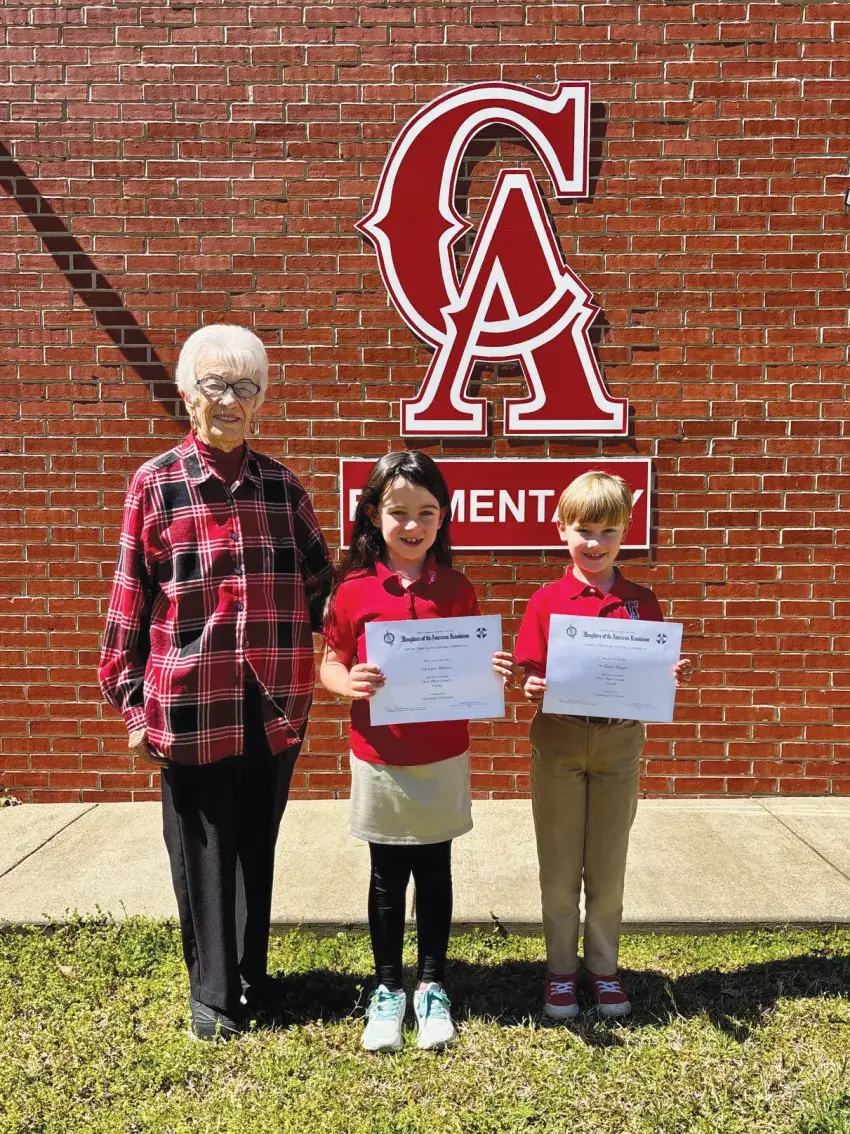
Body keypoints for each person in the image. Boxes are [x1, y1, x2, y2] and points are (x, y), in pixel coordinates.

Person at [98, 324, 333, 1040]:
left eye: (246, 387)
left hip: (273, 703)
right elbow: (129, 601)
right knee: (201, 853)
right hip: (190, 704)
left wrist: (398, 620)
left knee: (256, 845)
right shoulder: (156, 484)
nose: (230, 400)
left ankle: (252, 976)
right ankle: (213, 995)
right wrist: (132, 708)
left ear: (261, 401)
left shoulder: (282, 489)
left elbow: (324, 589)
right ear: (186, 393)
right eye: (216, 384)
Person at [321, 451, 513, 1053]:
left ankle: (431, 985)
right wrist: (346, 683)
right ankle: (387, 990)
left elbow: (470, 665)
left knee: (435, 872)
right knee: (385, 877)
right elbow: (330, 661)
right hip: (380, 755)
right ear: (372, 515)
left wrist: (491, 670)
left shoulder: (457, 588)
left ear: (443, 517)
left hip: (442, 754)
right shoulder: (353, 590)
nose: (412, 525)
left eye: (426, 513)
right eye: (398, 512)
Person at [515, 471, 692, 1021]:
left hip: (618, 741)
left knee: (608, 862)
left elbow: (652, 671)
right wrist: (532, 684)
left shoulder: (641, 601)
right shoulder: (546, 600)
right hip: (560, 738)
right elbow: (529, 669)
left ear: (626, 533)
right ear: (562, 529)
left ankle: (603, 968)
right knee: (559, 864)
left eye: (608, 531)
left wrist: (669, 674)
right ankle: (560, 971)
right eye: (584, 530)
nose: (595, 543)